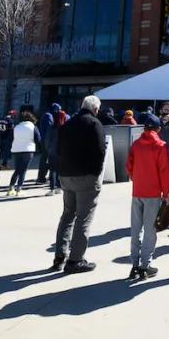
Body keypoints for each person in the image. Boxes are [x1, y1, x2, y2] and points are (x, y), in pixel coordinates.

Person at [52, 95, 107, 274]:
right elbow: (100, 151)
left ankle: (60, 255)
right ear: (96, 110)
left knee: (68, 214)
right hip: (86, 176)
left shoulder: (67, 124)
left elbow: (57, 149)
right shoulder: (94, 123)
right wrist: (96, 173)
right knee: (84, 217)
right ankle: (75, 259)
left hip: (66, 175)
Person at [125, 112, 169, 280]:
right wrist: (166, 194)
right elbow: (164, 172)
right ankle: (146, 265)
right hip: (153, 193)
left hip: (137, 191)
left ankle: (134, 265)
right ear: (158, 129)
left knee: (136, 229)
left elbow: (128, 165)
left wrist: (136, 178)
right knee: (150, 230)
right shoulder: (161, 146)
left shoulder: (136, 144)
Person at [8, 111, 41, 196]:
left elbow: (11, 138)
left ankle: (11, 188)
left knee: (17, 170)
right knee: (23, 170)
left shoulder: (16, 127)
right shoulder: (33, 127)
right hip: (28, 150)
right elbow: (38, 139)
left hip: (16, 150)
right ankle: (19, 189)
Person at [37, 103, 61, 183]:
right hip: (46, 142)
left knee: (45, 159)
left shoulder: (47, 114)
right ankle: (42, 177)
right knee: (46, 160)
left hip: (45, 141)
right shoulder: (48, 116)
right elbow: (50, 128)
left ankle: (42, 177)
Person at [44, 106, 62, 195]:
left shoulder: (52, 127)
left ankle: (52, 188)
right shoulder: (65, 127)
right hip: (62, 152)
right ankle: (59, 187)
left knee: (53, 170)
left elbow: (47, 140)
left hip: (52, 151)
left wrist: (48, 148)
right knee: (60, 170)